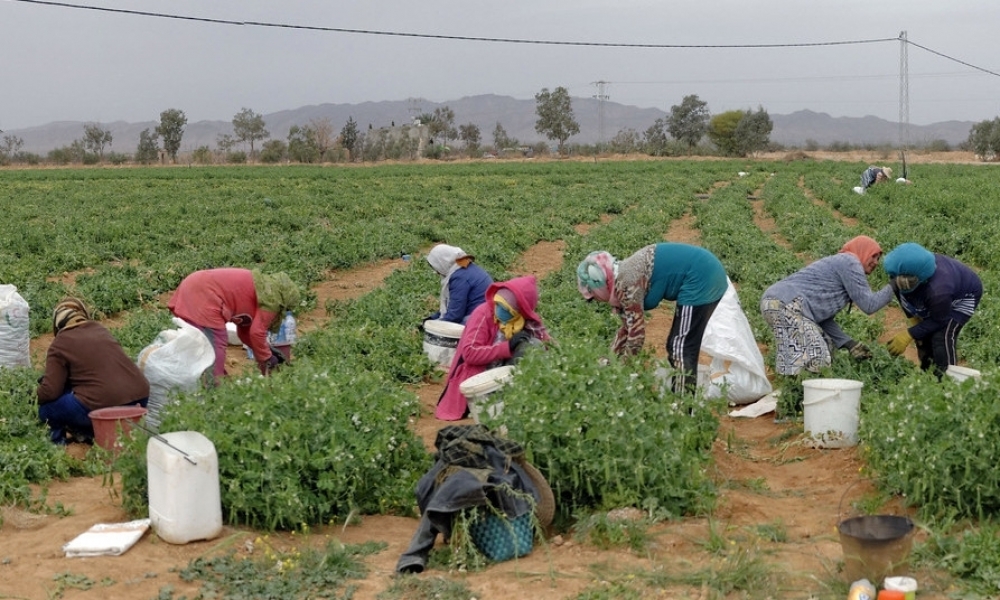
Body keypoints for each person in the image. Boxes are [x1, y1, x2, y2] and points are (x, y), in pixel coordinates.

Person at [576, 243, 728, 394]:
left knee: (680, 348)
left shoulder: (626, 284)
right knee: (675, 346)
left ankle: (683, 408)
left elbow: (636, 336)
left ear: (600, 286)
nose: (597, 300)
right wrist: (609, 360)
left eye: (594, 296)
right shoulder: (619, 280)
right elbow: (626, 329)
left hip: (701, 276)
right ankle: (680, 399)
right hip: (703, 272)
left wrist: (620, 371)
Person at [760, 235, 894, 376]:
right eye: (873, 256)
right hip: (787, 304)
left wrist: (848, 343)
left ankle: (793, 391)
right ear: (863, 250)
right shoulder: (850, 262)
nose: (876, 262)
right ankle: (811, 392)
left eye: (878, 258)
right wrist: (894, 286)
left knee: (823, 345)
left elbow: (823, 319)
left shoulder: (842, 264)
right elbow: (869, 305)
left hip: (774, 303)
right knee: (818, 357)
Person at [36, 298, 150, 444]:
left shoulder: (60, 342)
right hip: (139, 397)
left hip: (103, 403)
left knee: (48, 410)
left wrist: (34, 397)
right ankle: (94, 433)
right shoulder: (100, 329)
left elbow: (50, 391)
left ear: (58, 324)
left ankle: (59, 445)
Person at [436, 276, 551, 421]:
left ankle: (521, 397)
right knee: (525, 347)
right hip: (478, 375)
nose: (499, 310)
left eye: (506, 308)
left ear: (519, 310)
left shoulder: (525, 321)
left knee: (533, 345)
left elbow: (548, 345)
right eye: (498, 304)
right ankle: (498, 400)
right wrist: (506, 347)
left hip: (502, 370)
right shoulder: (483, 313)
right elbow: (469, 353)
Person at [167, 268, 301, 378]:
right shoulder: (273, 300)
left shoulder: (262, 293)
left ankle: (215, 380)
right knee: (217, 341)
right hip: (205, 293)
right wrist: (267, 358)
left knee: (202, 345)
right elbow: (257, 333)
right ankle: (215, 388)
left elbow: (245, 334)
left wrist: (266, 353)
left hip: (194, 285)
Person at [884, 242, 983, 376]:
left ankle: (948, 381)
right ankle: (927, 377)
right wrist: (914, 320)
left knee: (941, 337)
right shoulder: (899, 273)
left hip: (963, 297)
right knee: (923, 337)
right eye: (899, 281)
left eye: (907, 283)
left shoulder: (939, 291)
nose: (902, 285)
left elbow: (939, 320)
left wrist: (909, 334)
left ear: (923, 278)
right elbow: (901, 294)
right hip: (935, 296)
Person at [424, 244, 493, 324]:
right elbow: (453, 305)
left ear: (442, 262)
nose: (437, 272)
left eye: (436, 268)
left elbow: (455, 315)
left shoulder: (460, 278)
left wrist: (435, 325)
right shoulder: (463, 268)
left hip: (482, 319)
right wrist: (432, 319)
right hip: (486, 313)